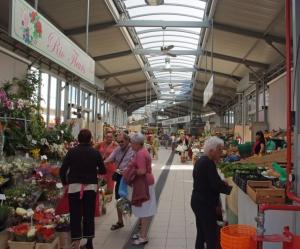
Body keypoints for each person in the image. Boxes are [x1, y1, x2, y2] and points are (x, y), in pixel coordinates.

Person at [60, 129, 106, 249]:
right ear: (90, 139)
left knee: (75, 215)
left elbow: (62, 170)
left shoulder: (71, 152)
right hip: (90, 187)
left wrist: (65, 183)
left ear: (78, 139)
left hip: (74, 187)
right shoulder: (95, 153)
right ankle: (89, 243)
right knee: (89, 214)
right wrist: (93, 171)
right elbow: (103, 170)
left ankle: (76, 244)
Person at [191, 136, 232, 249]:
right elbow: (215, 185)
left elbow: (209, 181)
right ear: (211, 150)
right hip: (204, 204)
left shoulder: (201, 161)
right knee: (210, 235)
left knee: (201, 233)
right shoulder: (208, 163)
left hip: (198, 201)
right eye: (219, 150)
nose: (221, 152)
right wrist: (228, 188)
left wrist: (220, 182)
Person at [123, 133, 156, 246]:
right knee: (144, 210)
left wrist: (130, 172)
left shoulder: (141, 154)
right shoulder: (142, 151)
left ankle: (143, 237)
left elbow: (141, 171)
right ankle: (142, 233)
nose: (131, 145)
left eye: (132, 143)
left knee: (145, 210)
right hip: (146, 182)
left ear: (137, 143)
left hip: (144, 184)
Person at [104, 132, 135, 230]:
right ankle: (120, 221)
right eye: (118, 142)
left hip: (131, 178)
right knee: (119, 199)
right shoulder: (117, 149)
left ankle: (141, 222)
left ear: (127, 140)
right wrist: (100, 163)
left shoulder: (133, 150)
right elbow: (109, 159)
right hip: (120, 177)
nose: (120, 143)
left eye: (122, 141)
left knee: (134, 199)